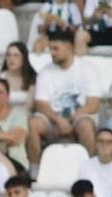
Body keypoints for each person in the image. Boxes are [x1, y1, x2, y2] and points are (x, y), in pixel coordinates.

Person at [28, 29, 102, 165]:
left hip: (79, 118)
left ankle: (90, 168)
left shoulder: (88, 69)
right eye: (50, 49)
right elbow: (41, 104)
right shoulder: (45, 71)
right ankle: (35, 170)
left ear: (69, 47)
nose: (52, 53)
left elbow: (93, 104)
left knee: (85, 125)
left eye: (56, 49)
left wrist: (69, 119)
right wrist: (58, 120)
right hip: (53, 120)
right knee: (33, 124)